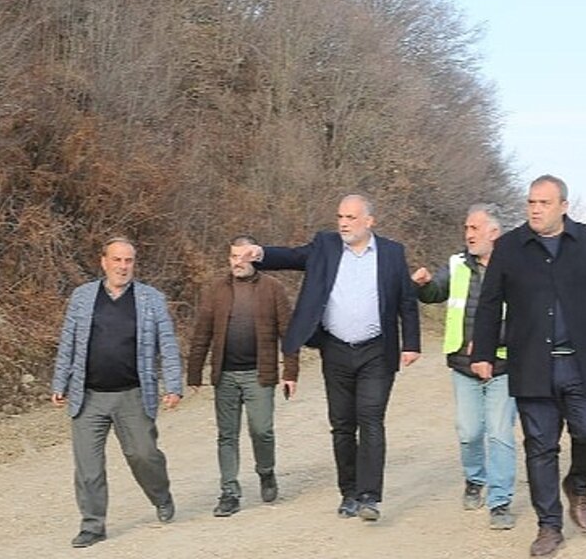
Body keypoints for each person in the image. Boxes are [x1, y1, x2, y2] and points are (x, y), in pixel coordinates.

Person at [470, 175, 586, 557]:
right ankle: (549, 526)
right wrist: (482, 352)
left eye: (544, 203)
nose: (535, 209)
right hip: (533, 365)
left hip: (585, 363)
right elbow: (490, 303)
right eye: (531, 202)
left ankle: (578, 485)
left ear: (563, 206)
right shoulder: (510, 247)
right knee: (540, 447)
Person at [237, 195, 421, 522]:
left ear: (369, 221)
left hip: (377, 350)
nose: (344, 223)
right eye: (340, 216)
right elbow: (293, 257)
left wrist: (412, 343)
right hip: (335, 348)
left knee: (371, 419)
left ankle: (369, 497)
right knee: (342, 425)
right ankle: (349, 493)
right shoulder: (326, 245)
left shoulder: (392, 253)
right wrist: (260, 253)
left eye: (351, 217)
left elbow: (406, 300)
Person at [50, 238, 183, 548]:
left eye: (129, 261)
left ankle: (161, 495)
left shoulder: (151, 299)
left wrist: (173, 385)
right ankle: (93, 525)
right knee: (88, 467)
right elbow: (68, 342)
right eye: (118, 260)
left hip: (132, 395)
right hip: (89, 396)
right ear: (104, 262)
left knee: (143, 455)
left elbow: (168, 344)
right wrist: (60, 383)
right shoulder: (82, 297)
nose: (123, 266)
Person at [411, 203, 517, 530]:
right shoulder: (457, 264)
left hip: (503, 365)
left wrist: (488, 343)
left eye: (475, 228)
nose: (468, 234)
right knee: (469, 432)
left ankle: (500, 501)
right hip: (463, 365)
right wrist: (424, 284)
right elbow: (435, 294)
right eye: (466, 228)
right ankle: (475, 479)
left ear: (494, 233)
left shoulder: (517, 267)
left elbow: (524, 318)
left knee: (500, 434)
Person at [187, 235, 299, 517]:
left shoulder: (273, 289)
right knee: (227, 435)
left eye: (243, 256)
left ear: (255, 257)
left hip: (259, 374)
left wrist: (290, 372)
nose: (238, 262)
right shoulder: (216, 290)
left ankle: (266, 471)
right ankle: (229, 492)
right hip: (225, 374)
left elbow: (289, 334)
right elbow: (202, 333)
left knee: (262, 430)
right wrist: (194, 373)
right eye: (233, 256)